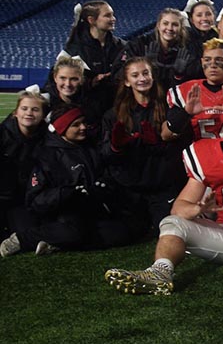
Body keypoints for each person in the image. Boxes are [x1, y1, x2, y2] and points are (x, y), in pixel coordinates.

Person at [104, 108, 223, 296]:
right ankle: (160, 272)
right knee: (172, 222)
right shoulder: (205, 155)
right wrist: (198, 208)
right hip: (222, 235)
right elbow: (178, 208)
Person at [1, 106, 142, 256]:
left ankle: (58, 243)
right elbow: (36, 200)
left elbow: (105, 175)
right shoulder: (46, 156)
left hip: (90, 209)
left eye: (83, 123)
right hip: (60, 213)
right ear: (62, 128)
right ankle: (22, 239)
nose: (83, 127)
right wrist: (68, 193)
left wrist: (101, 186)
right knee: (73, 231)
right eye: (76, 125)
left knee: (122, 232)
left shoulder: (89, 148)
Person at [101, 57, 187, 232]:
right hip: (130, 188)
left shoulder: (168, 107)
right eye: (135, 75)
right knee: (126, 231)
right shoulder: (114, 115)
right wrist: (116, 147)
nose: (142, 78)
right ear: (126, 82)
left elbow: (180, 148)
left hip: (162, 186)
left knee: (166, 228)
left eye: (145, 73)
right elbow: (104, 155)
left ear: (152, 76)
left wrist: (158, 145)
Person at [0, 89, 48, 248]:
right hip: (2, 196)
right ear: (15, 113)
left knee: (28, 233)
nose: (29, 113)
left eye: (35, 109)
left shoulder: (47, 139)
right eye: (24, 108)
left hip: (23, 200)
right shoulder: (2, 134)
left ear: (42, 115)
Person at [64, 0, 125, 110]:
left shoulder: (122, 46)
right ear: (91, 20)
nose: (113, 19)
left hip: (116, 108)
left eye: (112, 15)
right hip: (85, 110)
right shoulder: (74, 49)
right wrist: (91, 82)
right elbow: (58, 81)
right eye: (108, 15)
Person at [122, 8, 187, 83]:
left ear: (181, 28)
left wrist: (178, 75)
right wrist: (147, 66)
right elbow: (121, 73)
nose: (170, 28)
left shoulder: (187, 48)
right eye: (165, 23)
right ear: (158, 25)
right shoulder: (139, 44)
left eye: (175, 25)